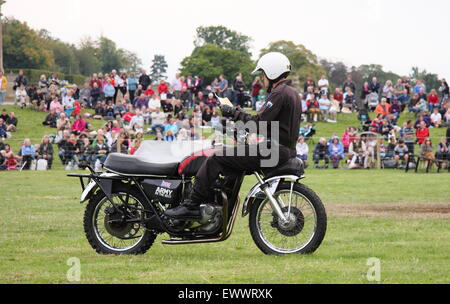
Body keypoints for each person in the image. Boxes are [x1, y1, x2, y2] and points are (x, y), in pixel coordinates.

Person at [165, 52, 301, 220]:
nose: (262, 78)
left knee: (216, 158)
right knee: (232, 163)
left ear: (272, 72)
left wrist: (233, 112)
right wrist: (238, 120)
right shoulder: (292, 93)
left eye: (263, 74)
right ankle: (221, 208)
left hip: (273, 149)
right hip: (283, 148)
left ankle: (191, 205)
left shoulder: (279, 93)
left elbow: (258, 122)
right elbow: (270, 125)